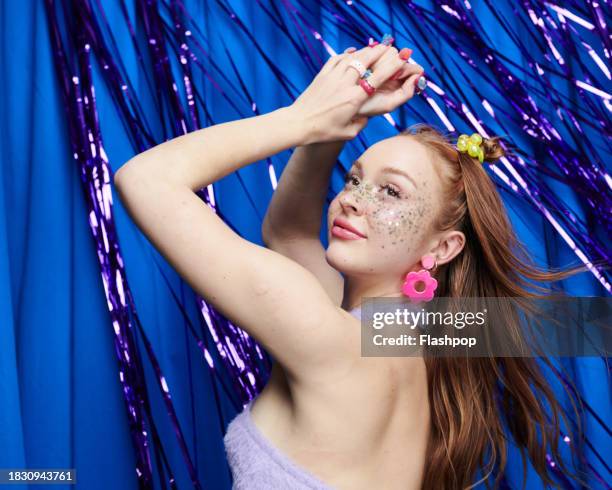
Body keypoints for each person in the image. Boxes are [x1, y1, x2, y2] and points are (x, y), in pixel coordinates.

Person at [114, 35, 586, 489]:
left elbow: (146, 179)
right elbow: (289, 233)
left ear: (443, 249)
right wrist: (336, 125)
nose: (352, 201)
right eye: (355, 179)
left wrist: (301, 119)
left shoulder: (328, 338)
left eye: (391, 191)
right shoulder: (423, 338)